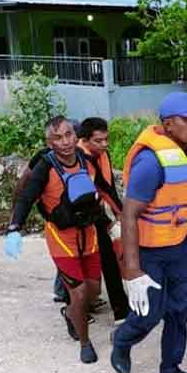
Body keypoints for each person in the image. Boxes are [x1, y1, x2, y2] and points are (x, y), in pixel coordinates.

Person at [110, 92, 187, 373]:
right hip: (149, 251)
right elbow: (129, 215)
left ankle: (170, 367)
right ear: (167, 124)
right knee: (149, 313)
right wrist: (133, 269)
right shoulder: (151, 162)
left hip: (177, 246)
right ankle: (122, 340)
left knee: (181, 308)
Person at [5, 116, 102, 364]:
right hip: (62, 238)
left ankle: (70, 313)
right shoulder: (44, 168)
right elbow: (26, 198)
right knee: (78, 294)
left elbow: (103, 191)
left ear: (76, 135)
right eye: (58, 138)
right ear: (49, 143)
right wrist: (15, 228)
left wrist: (119, 216)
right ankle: (85, 343)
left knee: (92, 291)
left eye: (69, 134)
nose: (66, 141)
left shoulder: (88, 161)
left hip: (88, 234)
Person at [76, 117, 131, 325]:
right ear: (85, 140)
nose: (104, 145)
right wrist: (109, 221)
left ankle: (108, 305)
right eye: (99, 141)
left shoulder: (101, 154)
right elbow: (91, 194)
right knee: (100, 259)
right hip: (83, 217)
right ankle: (119, 310)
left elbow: (107, 187)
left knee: (101, 258)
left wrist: (119, 212)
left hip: (98, 212)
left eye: (106, 139)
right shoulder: (79, 160)